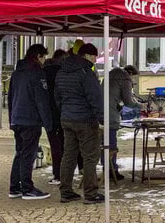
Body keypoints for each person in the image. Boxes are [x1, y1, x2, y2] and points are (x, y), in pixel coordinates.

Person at [55, 42, 104, 204]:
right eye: (94, 56)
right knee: (90, 156)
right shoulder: (86, 72)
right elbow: (95, 98)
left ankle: (66, 191)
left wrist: (65, 111)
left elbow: (57, 97)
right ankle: (90, 193)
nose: (95, 60)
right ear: (87, 55)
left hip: (67, 118)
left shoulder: (62, 71)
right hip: (85, 120)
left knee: (68, 155)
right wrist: (102, 118)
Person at [7, 44, 53, 200]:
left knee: (20, 153)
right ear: (38, 56)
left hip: (17, 119)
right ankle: (27, 188)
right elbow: (42, 100)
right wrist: (48, 123)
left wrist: (11, 120)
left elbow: (10, 97)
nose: (44, 60)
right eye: (44, 57)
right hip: (31, 120)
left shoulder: (16, 73)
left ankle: (15, 187)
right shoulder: (37, 73)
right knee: (28, 155)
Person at [104, 64, 138, 182]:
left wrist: (117, 105)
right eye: (133, 77)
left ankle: (107, 168)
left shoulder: (110, 75)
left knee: (105, 143)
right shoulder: (125, 79)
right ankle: (112, 171)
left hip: (101, 113)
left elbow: (111, 96)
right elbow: (128, 101)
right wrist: (140, 106)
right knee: (111, 145)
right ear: (131, 74)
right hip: (110, 116)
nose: (133, 80)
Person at [42, 49, 68, 186]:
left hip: (48, 115)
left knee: (54, 145)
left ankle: (57, 174)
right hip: (62, 114)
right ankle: (63, 173)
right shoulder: (63, 73)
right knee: (64, 145)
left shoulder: (43, 72)